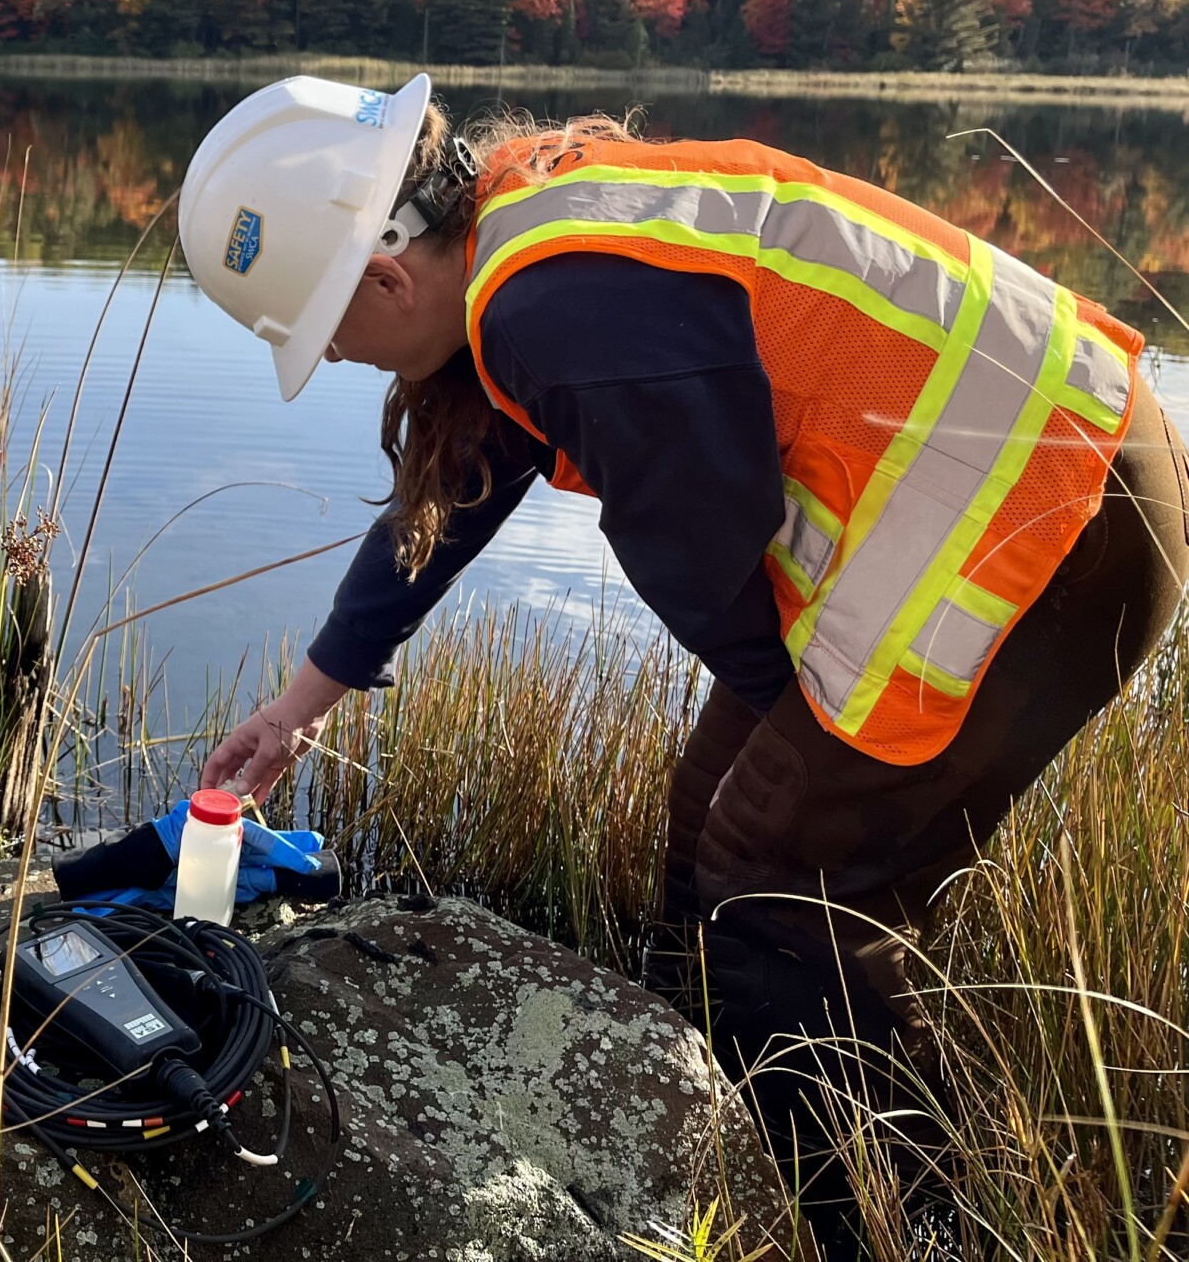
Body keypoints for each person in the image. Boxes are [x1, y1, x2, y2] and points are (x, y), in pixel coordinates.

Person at [182, 75, 1189, 1253]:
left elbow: (706, 559)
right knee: (721, 819)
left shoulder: (555, 307)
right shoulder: (518, 236)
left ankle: (896, 1225)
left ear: (386, 277)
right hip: (1042, 478)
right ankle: (703, 1136)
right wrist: (302, 706)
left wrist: (829, 795)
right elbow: (456, 491)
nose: (347, 361)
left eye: (329, 335)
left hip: (1060, 517)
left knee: (776, 878)